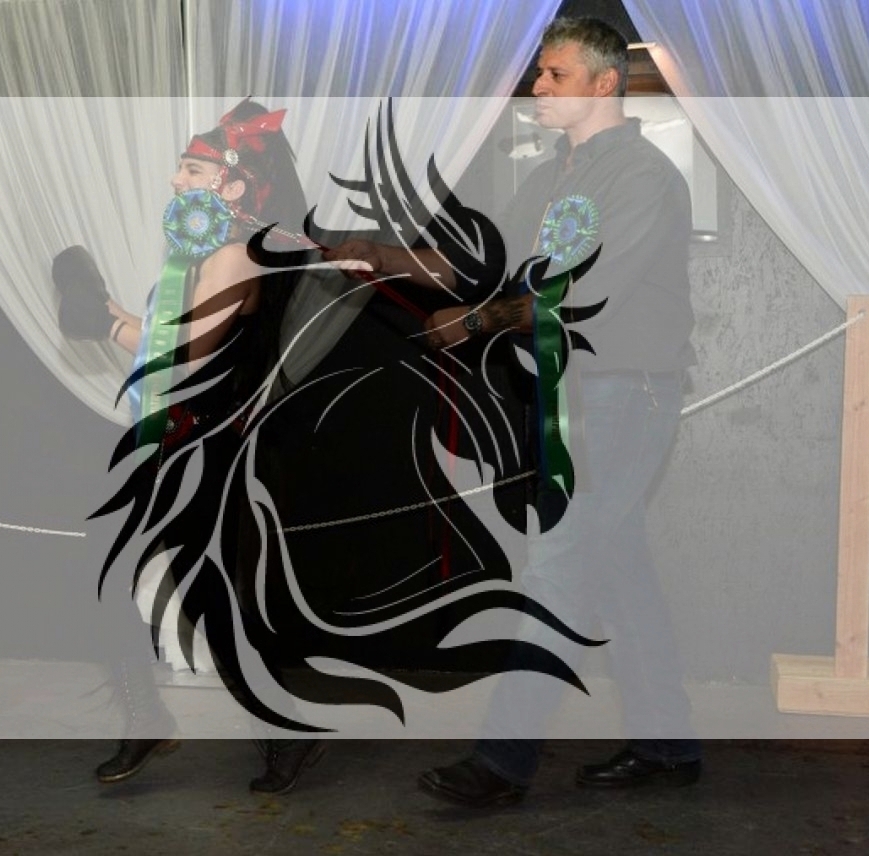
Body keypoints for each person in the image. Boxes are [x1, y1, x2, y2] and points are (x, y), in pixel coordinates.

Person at [323, 16, 700, 807]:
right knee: (617, 568)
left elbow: (583, 296)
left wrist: (475, 321)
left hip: (623, 394)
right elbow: (479, 260)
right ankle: (668, 746)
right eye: (539, 73)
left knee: (560, 567)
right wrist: (385, 256)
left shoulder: (644, 177)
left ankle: (502, 762)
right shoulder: (553, 175)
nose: (537, 87)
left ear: (606, 82)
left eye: (554, 74)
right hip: (572, 392)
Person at [54, 99, 324, 794]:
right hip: (172, 442)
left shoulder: (232, 258)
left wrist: (103, 327)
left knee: (217, 596)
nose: (177, 179)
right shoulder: (196, 257)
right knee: (122, 577)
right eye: (181, 167)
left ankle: (281, 730)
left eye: (192, 169)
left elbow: (185, 362)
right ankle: (151, 717)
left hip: (207, 448)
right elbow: (163, 342)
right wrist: (106, 311)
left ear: (231, 185)